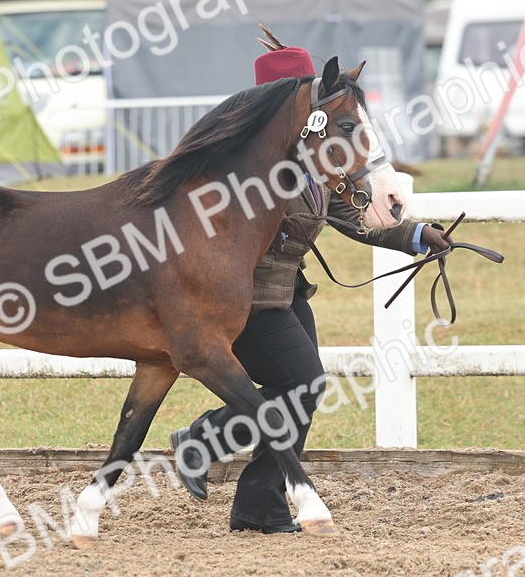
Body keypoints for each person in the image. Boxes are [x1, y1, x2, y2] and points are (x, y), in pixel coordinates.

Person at [170, 39, 450, 533]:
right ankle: (207, 440)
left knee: (299, 393)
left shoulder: (315, 165)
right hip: (246, 298)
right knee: (303, 385)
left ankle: (259, 505)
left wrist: (416, 235)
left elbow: (349, 214)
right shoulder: (243, 166)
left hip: (288, 291)